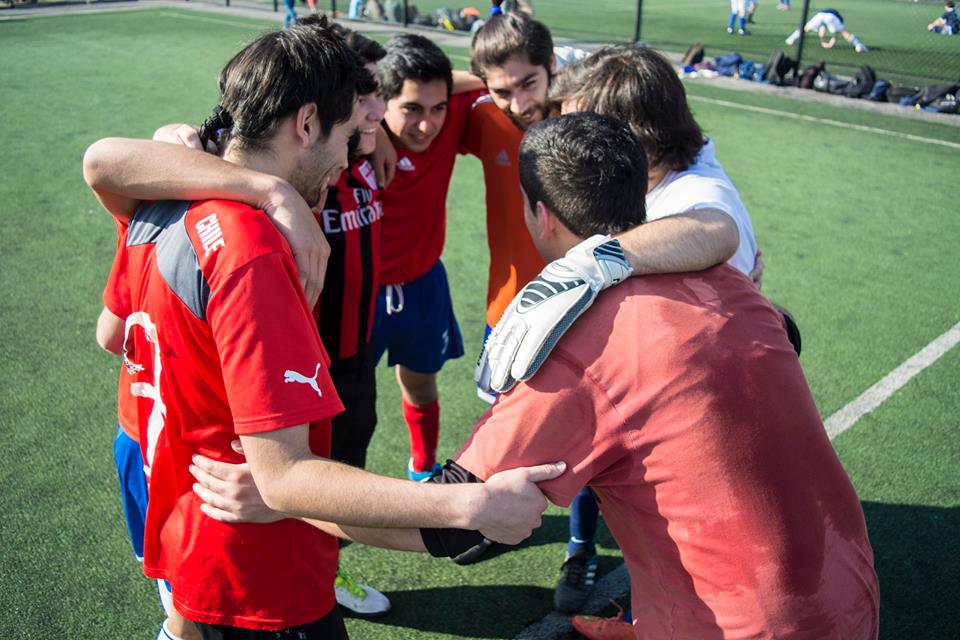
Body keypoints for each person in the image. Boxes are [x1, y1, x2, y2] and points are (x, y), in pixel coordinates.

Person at [195, 111, 880, 640]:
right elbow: (781, 330)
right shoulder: (723, 277)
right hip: (852, 594)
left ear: (540, 216)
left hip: (740, 625)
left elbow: (457, 529)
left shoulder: (578, 346)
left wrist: (291, 495)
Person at [83, 19, 561, 638]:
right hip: (259, 576)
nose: (349, 153)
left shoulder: (157, 198)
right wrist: (470, 509)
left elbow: (113, 329)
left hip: (187, 524)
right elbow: (286, 479)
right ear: (306, 124)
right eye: (345, 133)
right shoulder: (252, 252)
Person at [473, 39, 764, 608]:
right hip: (676, 426)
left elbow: (713, 227)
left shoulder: (696, 199)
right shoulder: (677, 172)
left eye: (580, 119)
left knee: (688, 573)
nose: (566, 128)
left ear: (629, 134)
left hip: (692, 444)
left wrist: (579, 270)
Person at [372, 33, 488, 481]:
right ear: (379, 101)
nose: (428, 125)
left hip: (423, 284)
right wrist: (371, 132)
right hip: (358, 292)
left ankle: (423, 466)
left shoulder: (452, 113)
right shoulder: (349, 133)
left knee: (421, 384)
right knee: (346, 401)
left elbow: (482, 79)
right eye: (412, 110)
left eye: (437, 108)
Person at [786, 8, 869, 52]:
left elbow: (822, 29)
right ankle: (858, 45)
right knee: (843, 32)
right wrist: (829, 44)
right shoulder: (839, 20)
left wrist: (826, 42)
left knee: (806, 28)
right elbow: (837, 33)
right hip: (830, 15)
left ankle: (791, 38)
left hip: (820, 14)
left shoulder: (826, 18)